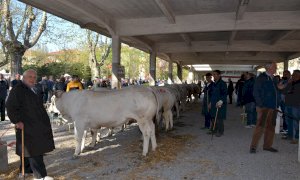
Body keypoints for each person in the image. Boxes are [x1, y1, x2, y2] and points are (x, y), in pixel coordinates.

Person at [6, 69, 55, 180]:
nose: (33, 79)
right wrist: (17, 121)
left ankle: (27, 171)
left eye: (34, 77)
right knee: (34, 150)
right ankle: (40, 176)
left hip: (35, 125)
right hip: (27, 125)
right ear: (24, 77)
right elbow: (10, 106)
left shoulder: (32, 88)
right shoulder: (17, 89)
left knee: (27, 149)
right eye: (30, 77)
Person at [250, 62, 280, 153]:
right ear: (269, 68)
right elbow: (255, 92)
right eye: (275, 67)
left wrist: (279, 88)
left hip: (273, 107)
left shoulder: (274, 78)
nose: (276, 68)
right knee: (260, 127)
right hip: (264, 107)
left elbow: (274, 91)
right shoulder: (261, 78)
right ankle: (253, 147)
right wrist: (260, 105)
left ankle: (267, 146)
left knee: (271, 127)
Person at [278, 70, 300, 144]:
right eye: (293, 74)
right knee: (288, 121)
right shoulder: (290, 83)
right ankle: (290, 135)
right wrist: (287, 83)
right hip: (288, 104)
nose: (293, 76)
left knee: (295, 122)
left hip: (296, 106)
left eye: (295, 75)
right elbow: (282, 90)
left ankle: (296, 138)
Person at [208, 70, 227, 137]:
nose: (214, 76)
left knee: (219, 118)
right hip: (213, 103)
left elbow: (224, 93)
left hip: (220, 104)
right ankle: (214, 129)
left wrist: (221, 101)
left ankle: (220, 131)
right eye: (213, 74)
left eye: (215, 74)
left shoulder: (222, 83)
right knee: (213, 117)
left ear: (219, 75)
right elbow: (212, 94)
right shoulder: (213, 84)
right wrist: (210, 102)